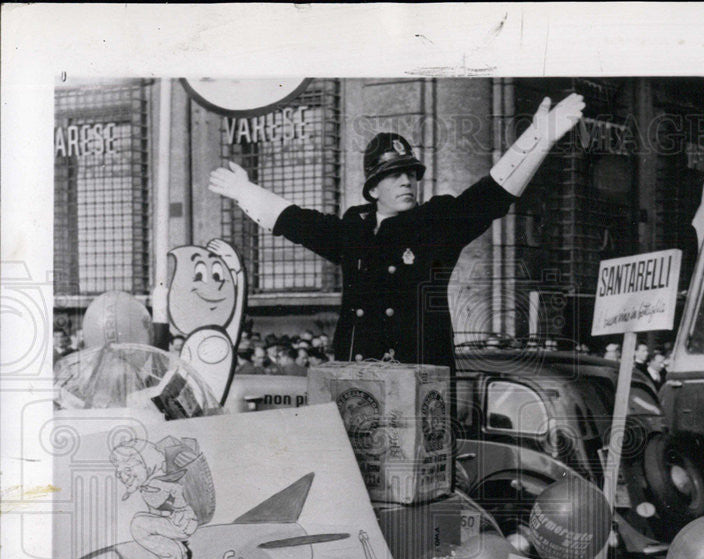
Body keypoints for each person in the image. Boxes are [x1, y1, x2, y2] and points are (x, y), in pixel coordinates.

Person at [209, 94, 585, 373]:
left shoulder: (435, 224)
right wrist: (246, 191)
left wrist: (539, 139)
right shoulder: (352, 230)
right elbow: (297, 222)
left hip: (419, 383)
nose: (406, 181)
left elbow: (490, 196)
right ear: (373, 189)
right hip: (357, 381)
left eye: (411, 174)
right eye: (394, 174)